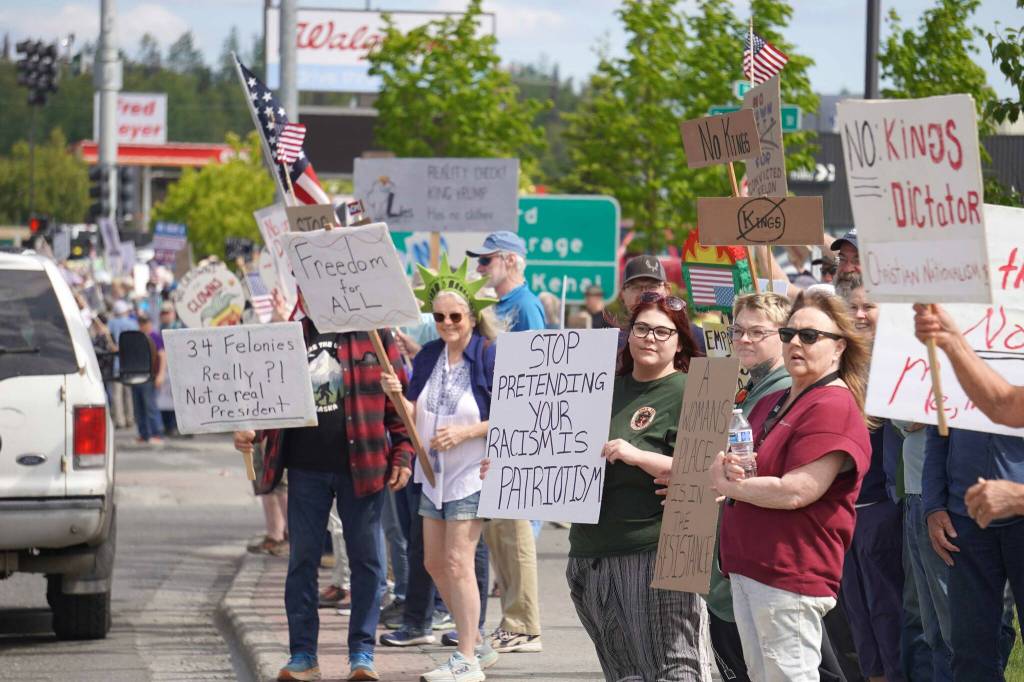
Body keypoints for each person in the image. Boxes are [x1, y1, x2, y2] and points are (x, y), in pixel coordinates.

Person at [234, 307, 414, 682]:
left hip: (364, 469)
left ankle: (362, 654)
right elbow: (267, 401)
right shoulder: (291, 337)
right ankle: (303, 655)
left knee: (368, 563)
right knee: (302, 561)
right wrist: (250, 431)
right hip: (305, 470)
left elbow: (399, 407)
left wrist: (403, 455)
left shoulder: (376, 336)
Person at [714, 290, 873, 682]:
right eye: (788, 334)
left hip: (789, 573)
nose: (795, 343)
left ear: (838, 347)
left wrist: (728, 486)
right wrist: (728, 467)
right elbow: (749, 465)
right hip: (750, 568)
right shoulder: (782, 398)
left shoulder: (833, 405)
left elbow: (797, 490)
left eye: (809, 336)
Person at [566, 292, 711, 680]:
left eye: (662, 332)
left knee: (675, 668)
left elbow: (707, 472)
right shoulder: (599, 386)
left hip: (656, 552)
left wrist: (638, 455)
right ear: (628, 336)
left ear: (679, 341)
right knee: (623, 673)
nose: (650, 338)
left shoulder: (695, 390)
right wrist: (511, 464)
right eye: (642, 328)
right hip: (589, 554)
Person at [382, 257, 500, 681]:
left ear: (471, 316)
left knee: (458, 561)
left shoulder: (487, 354)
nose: (447, 322)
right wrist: (397, 396)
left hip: (472, 473)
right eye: (440, 316)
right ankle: (478, 645)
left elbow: (510, 413)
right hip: (431, 475)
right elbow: (414, 415)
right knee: (432, 562)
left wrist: (465, 433)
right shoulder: (430, 354)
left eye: (455, 315)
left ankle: (466, 657)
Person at [466, 232, 545, 653]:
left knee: (515, 533)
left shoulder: (526, 307)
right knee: (500, 533)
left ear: (511, 260)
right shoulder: (497, 307)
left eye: (486, 260)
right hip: (498, 427)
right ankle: (514, 621)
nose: (480, 268)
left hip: (517, 429)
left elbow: (539, 370)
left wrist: (519, 434)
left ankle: (524, 626)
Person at [835, 276, 906, 682]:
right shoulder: (837, 364)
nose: (861, 314)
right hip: (842, 511)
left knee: (887, 607)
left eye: (870, 306)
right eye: (854, 307)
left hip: (881, 507)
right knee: (857, 612)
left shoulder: (900, 362)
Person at [923, 424, 1024, 680]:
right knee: (970, 651)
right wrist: (933, 505)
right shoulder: (955, 382)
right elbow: (937, 432)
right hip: (965, 521)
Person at [617, 255, 707, 354]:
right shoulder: (612, 345)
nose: (644, 293)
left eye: (652, 286)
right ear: (622, 294)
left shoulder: (697, 338)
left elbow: (716, 368)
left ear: (667, 290)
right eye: (635, 287)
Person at [133, 313, 165, 445]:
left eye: (145, 323)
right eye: (141, 323)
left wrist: (161, 375)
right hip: (137, 375)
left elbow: (162, 356)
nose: (143, 325)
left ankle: (156, 433)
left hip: (150, 376)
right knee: (138, 408)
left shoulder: (155, 337)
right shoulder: (138, 337)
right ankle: (143, 434)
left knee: (150, 406)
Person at [106, 299, 138, 430]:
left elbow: (108, 340)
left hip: (117, 363)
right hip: (130, 362)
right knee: (128, 393)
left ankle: (120, 420)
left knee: (117, 394)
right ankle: (130, 418)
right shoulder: (133, 323)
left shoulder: (111, 323)